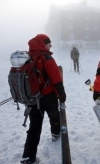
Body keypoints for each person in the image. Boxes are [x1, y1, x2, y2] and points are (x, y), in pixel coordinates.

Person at [21, 34, 66, 164]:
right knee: (54, 116)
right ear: (43, 44)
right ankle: (55, 133)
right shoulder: (47, 58)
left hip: (32, 99)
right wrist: (61, 94)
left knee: (34, 126)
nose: (50, 45)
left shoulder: (27, 58)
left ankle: (28, 156)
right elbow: (56, 80)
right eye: (48, 43)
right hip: (48, 96)